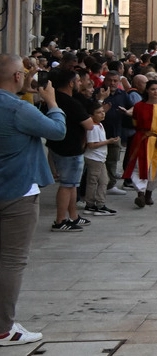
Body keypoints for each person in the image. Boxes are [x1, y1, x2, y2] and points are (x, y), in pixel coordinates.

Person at [0, 55, 66, 346]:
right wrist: (52, 103)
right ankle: (4, 328)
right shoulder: (16, 108)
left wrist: (25, 89)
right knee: (12, 261)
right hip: (17, 191)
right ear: (17, 76)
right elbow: (57, 131)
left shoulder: (17, 104)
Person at [45, 67, 94, 231]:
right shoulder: (70, 102)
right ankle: (60, 220)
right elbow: (89, 124)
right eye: (78, 80)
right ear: (71, 83)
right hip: (69, 147)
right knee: (67, 184)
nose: (81, 83)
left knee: (72, 183)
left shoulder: (53, 98)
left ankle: (73, 216)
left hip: (58, 145)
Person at [123, 79, 157, 208]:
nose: (155, 92)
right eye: (153, 89)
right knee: (139, 166)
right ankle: (140, 193)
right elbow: (135, 122)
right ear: (147, 90)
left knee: (156, 167)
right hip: (142, 138)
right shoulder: (139, 106)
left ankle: (149, 192)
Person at [82, 103, 117, 216]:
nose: (102, 114)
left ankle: (96, 203)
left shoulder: (99, 125)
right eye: (99, 112)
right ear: (91, 115)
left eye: (103, 111)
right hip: (94, 158)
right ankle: (94, 204)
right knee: (95, 181)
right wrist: (108, 141)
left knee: (102, 181)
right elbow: (91, 145)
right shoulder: (93, 127)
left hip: (99, 158)